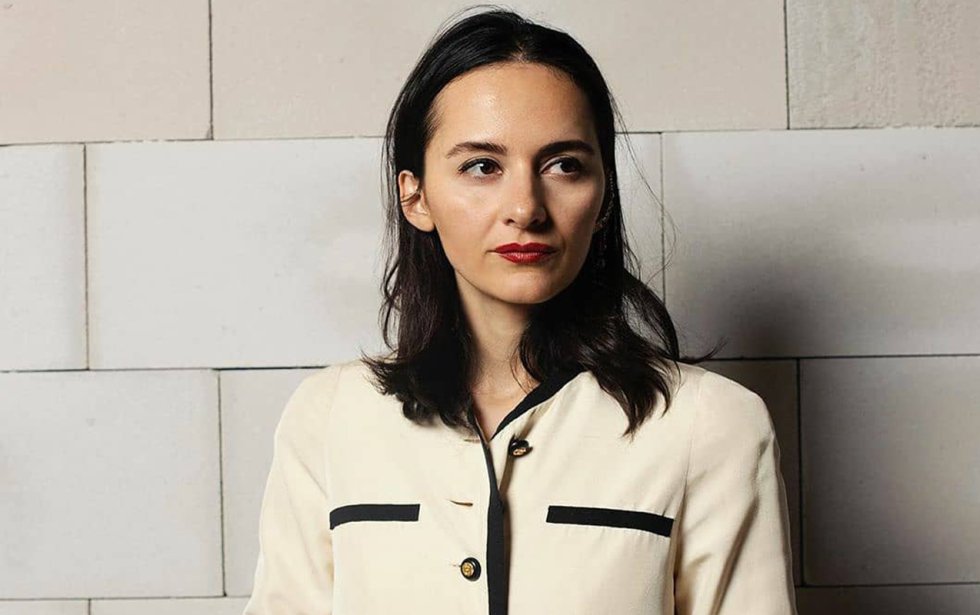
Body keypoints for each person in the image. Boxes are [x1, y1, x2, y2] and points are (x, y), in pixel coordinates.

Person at [243, 6, 797, 614]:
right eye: (482, 167)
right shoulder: (330, 418)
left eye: (564, 165)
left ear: (603, 196)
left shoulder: (708, 424)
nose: (526, 207)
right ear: (416, 195)